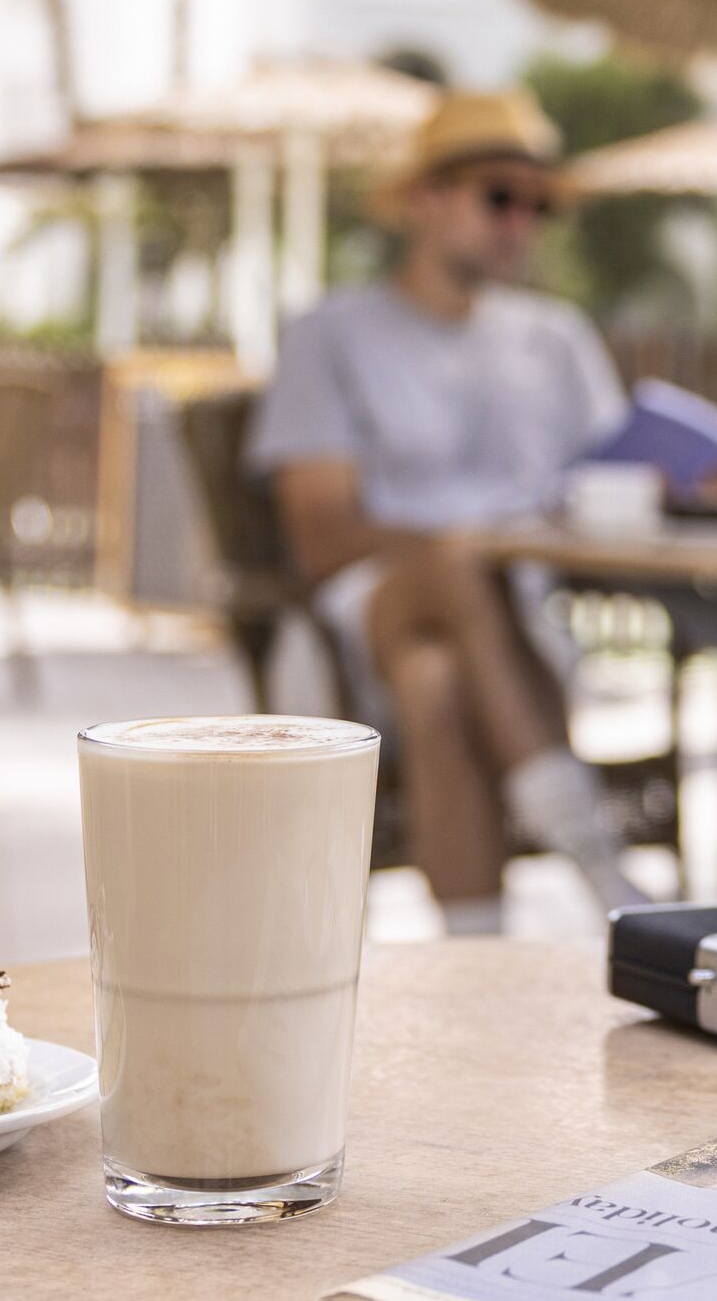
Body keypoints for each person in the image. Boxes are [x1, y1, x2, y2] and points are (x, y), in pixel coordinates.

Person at [248, 88, 645, 926]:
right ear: (425, 199)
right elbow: (322, 535)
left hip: (521, 619)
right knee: (461, 561)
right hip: (368, 610)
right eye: (499, 197)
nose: (521, 222)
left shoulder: (558, 338)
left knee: (437, 679)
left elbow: (616, 483)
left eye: (537, 205)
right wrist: (465, 550)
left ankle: (477, 951)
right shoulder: (331, 333)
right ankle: (593, 856)